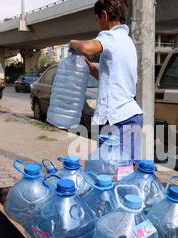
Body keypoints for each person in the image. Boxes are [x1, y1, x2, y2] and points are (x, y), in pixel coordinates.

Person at [69, 0, 143, 161]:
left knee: (111, 172)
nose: (97, 23)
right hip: (131, 116)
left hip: (115, 119)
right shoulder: (127, 41)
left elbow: (88, 48)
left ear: (104, 16)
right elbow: (112, 78)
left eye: (97, 19)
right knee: (129, 170)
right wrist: (91, 68)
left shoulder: (110, 36)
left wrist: (72, 43)